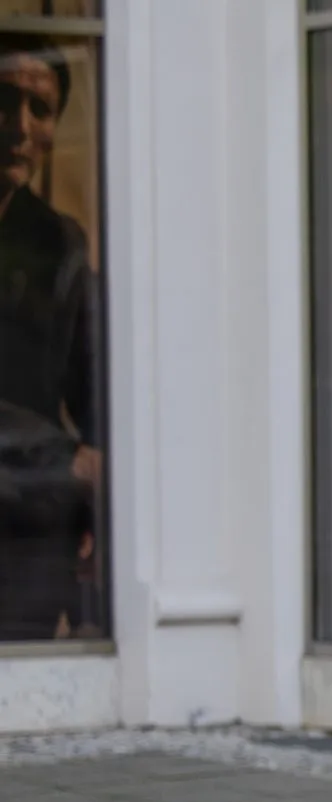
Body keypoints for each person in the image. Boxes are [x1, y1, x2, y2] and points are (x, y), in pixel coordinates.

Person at [0, 33, 99, 640]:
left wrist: (92, 503)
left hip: (30, 524)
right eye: (3, 101)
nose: (18, 126)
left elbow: (92, 387)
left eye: (40, 110)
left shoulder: (62, 243)